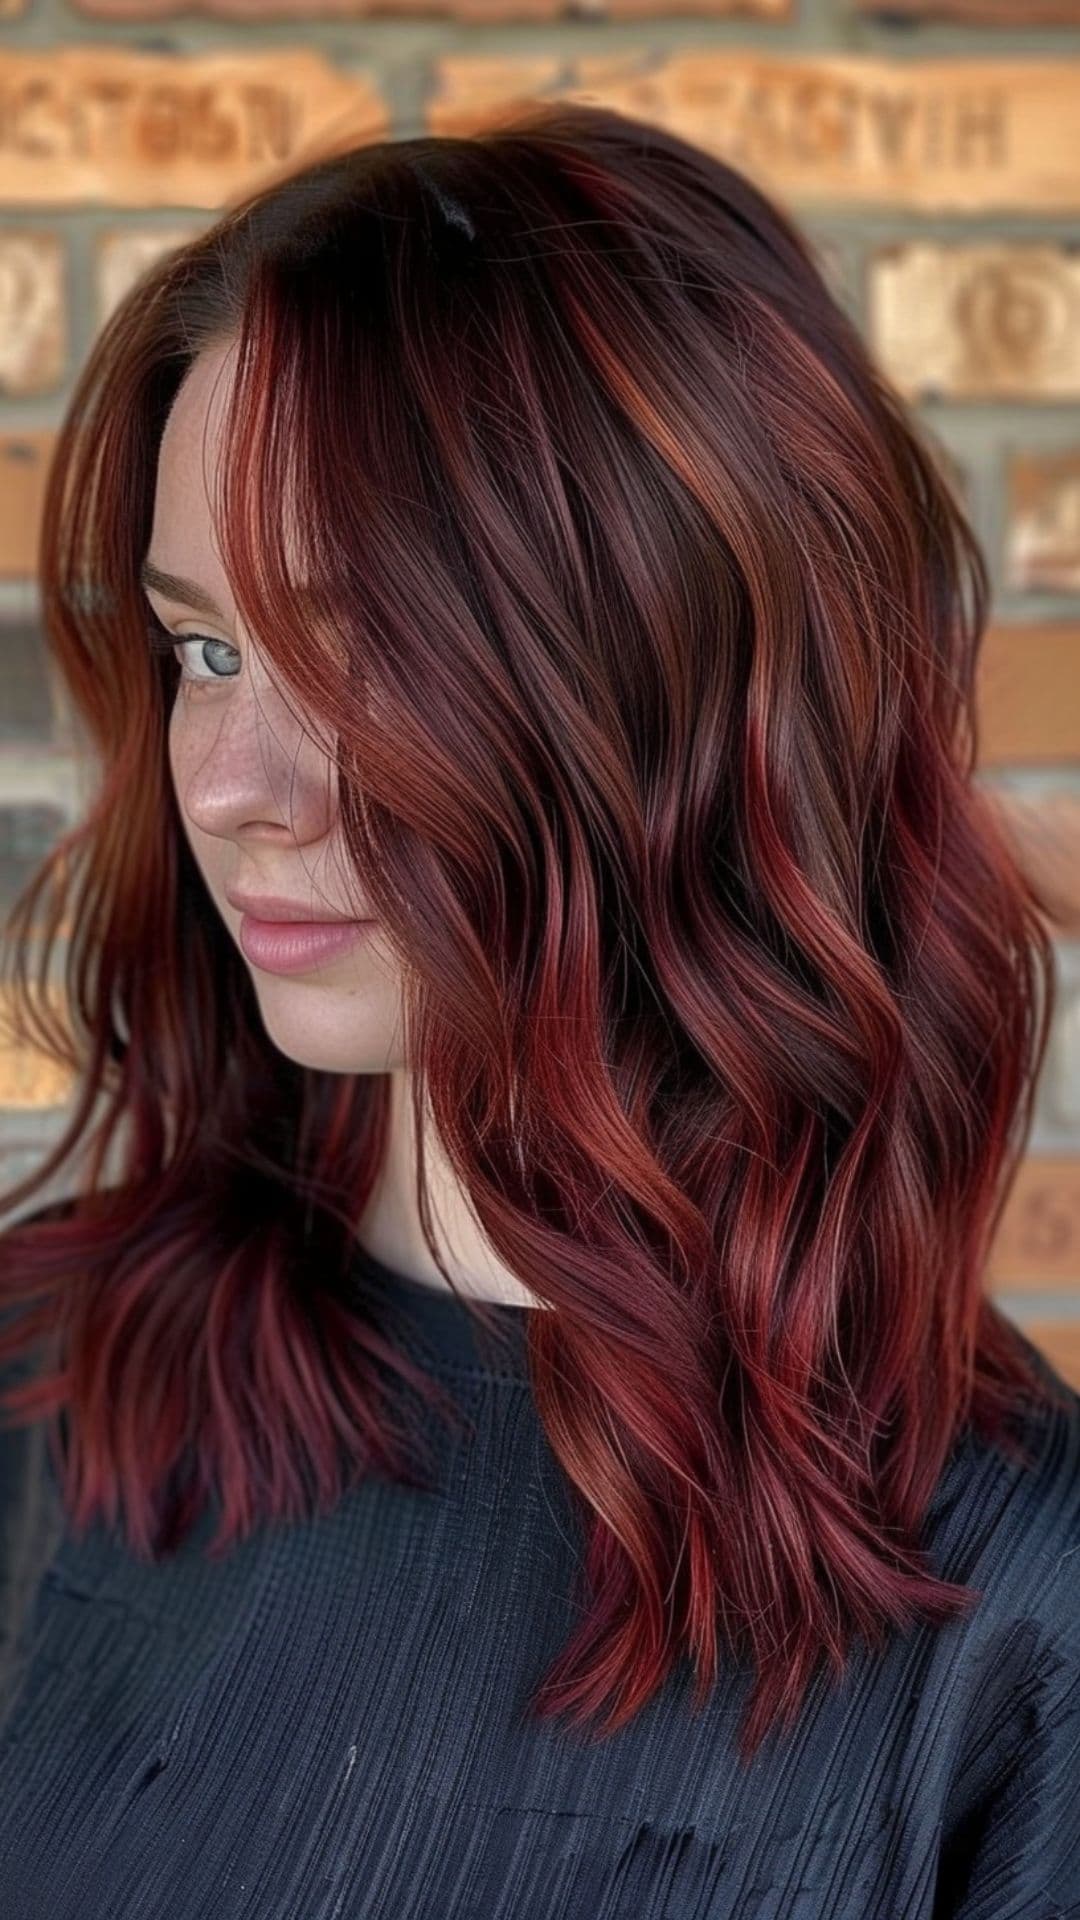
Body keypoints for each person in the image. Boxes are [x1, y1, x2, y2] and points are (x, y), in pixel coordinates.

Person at [0, 99, 1076, 1920]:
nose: (233, 784)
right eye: (207, 650)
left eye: (360, 663)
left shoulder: (1010, 1607)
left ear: (660, 689)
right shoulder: (55, 1383)